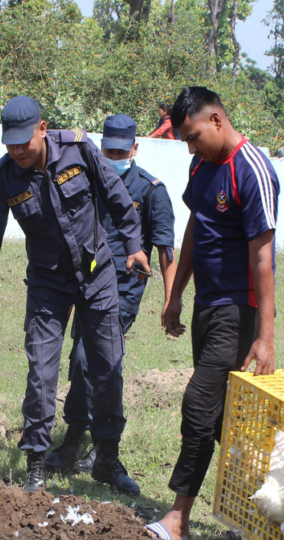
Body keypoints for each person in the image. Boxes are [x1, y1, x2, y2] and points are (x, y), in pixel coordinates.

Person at [0, 96, 151, 495]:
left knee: (107, 367)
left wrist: (133, 244)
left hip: (97, 276)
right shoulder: (5, 177)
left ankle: (108, 460)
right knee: (41, 374)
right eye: (9, 144)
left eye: (23, 142)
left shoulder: (79, 148)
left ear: (42, 128)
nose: (17, 151)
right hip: (47, 284)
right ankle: (35, 466)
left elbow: (115, 195)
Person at [145, 86, 280, 540]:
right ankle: (264, 514)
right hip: (206, 305)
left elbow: (264, 257)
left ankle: (177, 518)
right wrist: (176, 293)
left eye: (193, 135)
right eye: (184, 138)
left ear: (217, 120)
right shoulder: (200, 164)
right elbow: (196, 227)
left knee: (199, 404)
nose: (189, 145)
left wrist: (266, 337)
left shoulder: (253, 170)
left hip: (238, 311)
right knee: (227, 423)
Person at [44, 113, 177, 474]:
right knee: (80, 359)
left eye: (122, 152)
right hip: (85, 281)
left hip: (124, 287)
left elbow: (165, 250)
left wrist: (170, 298)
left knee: (97, 360)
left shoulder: (152, 191)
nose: (115, 158)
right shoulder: (89, 180)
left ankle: (90, 446)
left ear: (135, 147)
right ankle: (82, 443)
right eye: (109, 151)